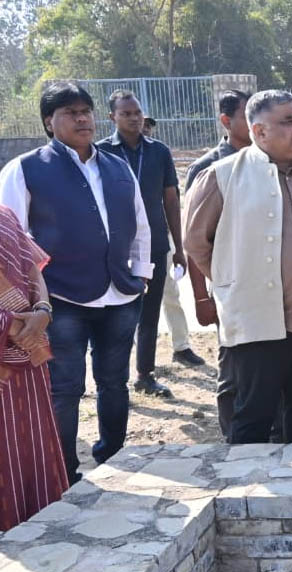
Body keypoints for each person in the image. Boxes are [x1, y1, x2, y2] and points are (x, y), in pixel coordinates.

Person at [0, 82, 153, 483]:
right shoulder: (25, 169)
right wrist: (31, 301)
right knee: (65, 388)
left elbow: (139, 224)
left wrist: (141, 273)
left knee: (115, 382)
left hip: (120, 294)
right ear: (49, 121)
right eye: (70, 112)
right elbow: (11, 241)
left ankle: (114, 461)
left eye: (86, 111)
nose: (82, 118)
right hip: (61, 299)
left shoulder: (117, 166)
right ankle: (64, 474)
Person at [185, 89, 292, 444]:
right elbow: (196, 242)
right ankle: (246, 482)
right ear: (259, 131)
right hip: (258, 324)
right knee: (253, 419)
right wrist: (235, 284)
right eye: (288, 122)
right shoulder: (222, 176)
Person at [97, 90, 193, 398]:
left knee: (149, 312)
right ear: (112, 117)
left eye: (137, 112)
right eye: (126, 113)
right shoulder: (101, 152)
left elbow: (171, 200)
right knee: (112, 314)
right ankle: (110, 380)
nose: (134, 118)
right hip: (114, 247)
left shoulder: (159, 151)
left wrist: (179, 248)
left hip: (153, 245)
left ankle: (145, 375)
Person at [184, 89, 252, 440]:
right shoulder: (208, 168)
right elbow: (195, 241)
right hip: (228, 288)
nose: (256, 124)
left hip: (270, 286)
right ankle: (232, 439)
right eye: (247, 116)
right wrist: (202, 297)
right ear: (226, 121)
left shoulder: (270, 161)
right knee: (233, 367)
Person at [0, 204, 69, 531]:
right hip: (16, 344)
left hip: (28, 354)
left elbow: (32, 269)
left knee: (32, 445)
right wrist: (14, 326)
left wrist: (43, 310)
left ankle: (40, 529)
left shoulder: (4, 215)